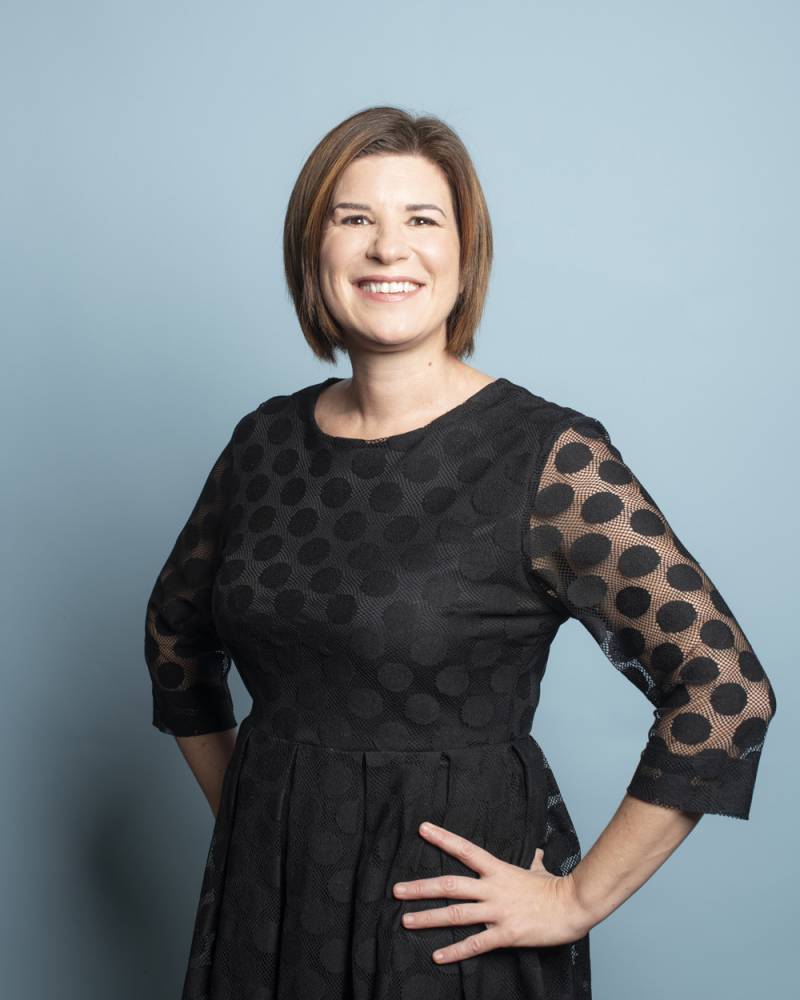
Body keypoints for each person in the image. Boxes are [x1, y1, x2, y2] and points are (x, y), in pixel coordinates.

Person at [143, 105, 777, 999]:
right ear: (312, 250)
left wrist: (577, 900)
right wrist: (254, 813)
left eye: (422, 219)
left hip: (445, 935)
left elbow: (724, 688)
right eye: (354, 218)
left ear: (464, 253)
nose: (387, 248)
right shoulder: (263, 444)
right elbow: (174, 636)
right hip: (268, 910)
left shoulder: (547, 457)